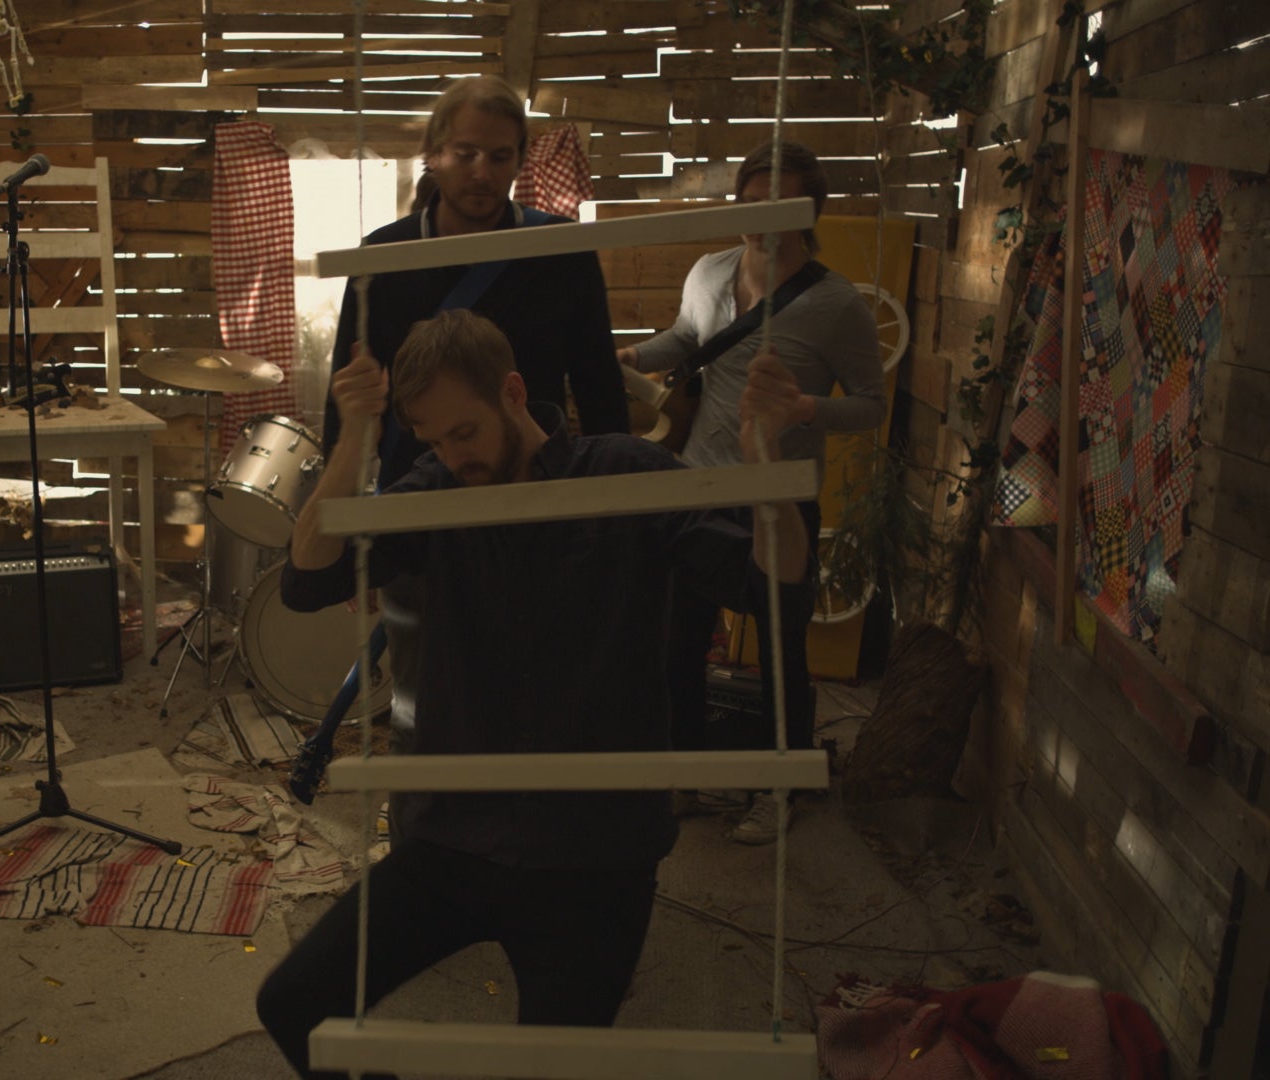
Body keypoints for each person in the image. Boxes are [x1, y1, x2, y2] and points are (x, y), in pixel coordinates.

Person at [257, 308, 809, 1077]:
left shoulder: (626, 475)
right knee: (292, 1005)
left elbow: (772, 591)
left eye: (465, 432)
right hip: (451, 834)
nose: (453, 456)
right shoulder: (438, 485)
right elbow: (307, 579)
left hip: (594, 856)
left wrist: (766, 464)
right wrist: (355, 437)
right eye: (434, 440)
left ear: (513, 391)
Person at [321, 74, 631, 755]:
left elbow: (601, 391)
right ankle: (423, 845)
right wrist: (351, 542)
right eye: (464, 153)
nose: (482, 172)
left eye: (499, 156)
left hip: (538, 508)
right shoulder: (383, 256)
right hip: (418, 509)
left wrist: (615, 513)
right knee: (424, 704)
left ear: (521, 160)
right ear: (433, 154)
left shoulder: (562, 252)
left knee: (543, 696)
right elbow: (346, 400)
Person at [619, 141, 884, 843]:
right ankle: (680, 780)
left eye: (781, 203)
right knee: (679, 642)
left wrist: (803, 411)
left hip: (780, 500)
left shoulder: (836, 305)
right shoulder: (709, 271)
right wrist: (636, 357)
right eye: (750, 201)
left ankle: (779, 788)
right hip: (697, 487)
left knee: (780, 652)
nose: (761, 217)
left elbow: (870, 404)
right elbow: (685, 337)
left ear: (811, 211)